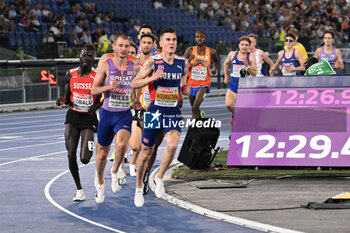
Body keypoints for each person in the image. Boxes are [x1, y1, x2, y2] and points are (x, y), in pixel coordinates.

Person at [131, 27, 190, 207]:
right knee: (146, 151)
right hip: (155, 110)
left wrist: (184, 88)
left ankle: (159, 178)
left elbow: (184, 81)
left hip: (172, 110)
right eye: (168, 40)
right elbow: (135, 83)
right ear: (161, 44)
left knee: (172, 146)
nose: (172, 43)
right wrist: (152, 78)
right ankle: (139, 187)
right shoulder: (152, 62)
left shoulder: (183, 63)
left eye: (174, 40)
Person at [91, 33, 138, 204]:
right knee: (102, 154)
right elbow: (93, 90)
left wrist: (137, 99)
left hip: (124, 113)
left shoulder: (134, 66)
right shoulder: (105, 65)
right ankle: (100, 183)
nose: (124, 49)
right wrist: (109, 86)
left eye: (127, 46)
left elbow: (136, 85)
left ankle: (115, 171)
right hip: (107, 113)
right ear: (114, 47)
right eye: (121, 45)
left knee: (122, 144)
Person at [56, 45, 100, 201]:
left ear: (93, 59)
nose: (87, 58)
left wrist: (96, 106)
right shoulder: (70, 74)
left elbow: (104, 97)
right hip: (73, 116)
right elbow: (67, 97)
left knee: (85, 159)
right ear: (79, 57)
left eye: (90, 56)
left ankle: (99, 178)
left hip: (88, 119)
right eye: (85, 55)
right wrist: (63, 100)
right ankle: (79, 190)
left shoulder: (97, 76)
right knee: (70, 154)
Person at [129, 33, 157, 177]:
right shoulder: (133, 62)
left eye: (149, 43)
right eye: (143, 42)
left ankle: (143, 171)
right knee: (134, 145)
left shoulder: (156, 62)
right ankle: (130, 162)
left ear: (153, 45)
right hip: (132, 105)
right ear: (140, 44)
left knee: (149, 144)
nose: (146, 45)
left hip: (150, 106)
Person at [184, 30, 219, 119]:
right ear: (195, 38)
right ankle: (200, 118)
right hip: (191, 83)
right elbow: (182, 65)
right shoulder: (190, 50)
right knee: (194, 108)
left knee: (195, 106)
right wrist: (188, 61)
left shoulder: (211, 51)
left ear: (205, 38)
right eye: (197, 37)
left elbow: (216, 60)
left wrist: (215, 67)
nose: (199, 39)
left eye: (201, 37)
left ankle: (195, 128)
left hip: (204, 83)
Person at [224, 36, 256, 126]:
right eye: (242, 44)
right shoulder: (232, 54)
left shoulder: (251, 57)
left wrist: (247, 65)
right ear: (239, 45)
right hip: (233, 85)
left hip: (245, 88)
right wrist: (226, 75)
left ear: (249, 46)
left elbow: (254, 74)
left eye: (246, 45)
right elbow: (226, 63)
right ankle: (240, 115)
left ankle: (237, 126)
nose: (244, 47)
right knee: (229, 105)